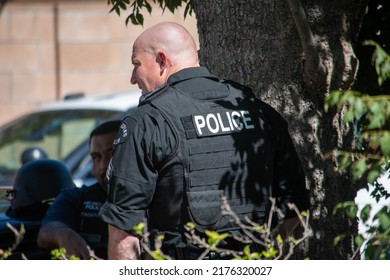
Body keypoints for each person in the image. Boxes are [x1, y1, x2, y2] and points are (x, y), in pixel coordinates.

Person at [98, 22, 310, 260]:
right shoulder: (259, 111)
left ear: (162, 60)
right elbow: (295, 208)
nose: (133, 78)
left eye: (136, 64)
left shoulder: (148, 121)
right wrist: (263, 255)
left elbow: (124, 231)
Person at [37, 120, 121, 259]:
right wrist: (62, 234)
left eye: (111, 154)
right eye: (96, 157)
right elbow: (46, 231)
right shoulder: (76, 198)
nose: (103, 166)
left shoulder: (159, 199)